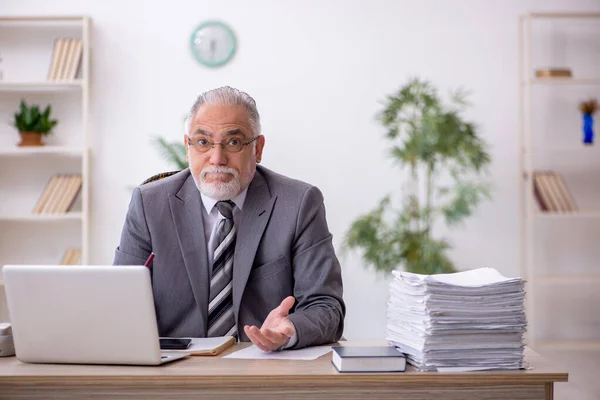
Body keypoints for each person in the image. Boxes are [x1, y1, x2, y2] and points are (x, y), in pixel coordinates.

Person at [114, 86, 345, 351]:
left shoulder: (299, 203)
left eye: (233, 142)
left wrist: (289, 329)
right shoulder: (149, 204)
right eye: (203, 142)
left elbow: (327, 307)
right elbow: (121, 302)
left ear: (257, 149)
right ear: (187, 147)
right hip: (172, 369)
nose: (217, 158)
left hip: (263, 368)